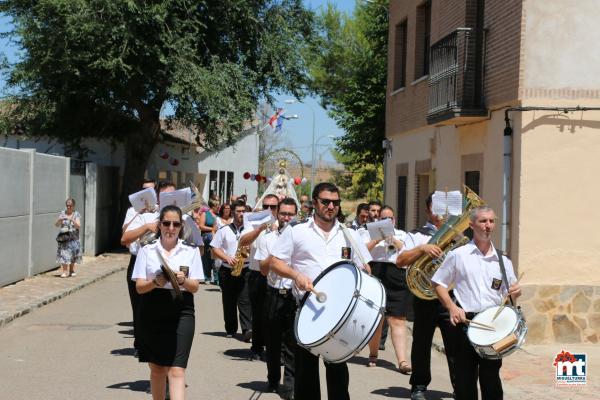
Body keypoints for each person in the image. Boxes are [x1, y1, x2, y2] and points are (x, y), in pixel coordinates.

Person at [271, 182, 372, 400]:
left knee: (338, 372)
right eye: (325, 201)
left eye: (335, 202)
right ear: (314, 202)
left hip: (340, 314)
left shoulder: (350, 234)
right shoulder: (296, 231)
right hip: (306, 309)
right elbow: (275, 263)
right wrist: (296, 276)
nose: (331, 206)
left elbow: (366, 268)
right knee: (305, 374)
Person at [432, 206, 521, 400]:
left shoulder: (503, 260)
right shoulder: (459, 255)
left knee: (491, 379)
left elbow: (510, 291)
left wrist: (516, 291)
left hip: (493, 327)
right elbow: (438, 283)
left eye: (491, 221)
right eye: (483, 221)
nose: (487, 226)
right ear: (472, 225)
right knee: (465, 381)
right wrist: (452, 307)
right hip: (466, 324)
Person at [132, 205, 203, 400]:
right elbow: (139, 287)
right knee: (157, 369)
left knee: (177, 370)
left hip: (182, 309)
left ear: (181, 226)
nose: (170, 228)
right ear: (159, 225)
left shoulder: (191, 251)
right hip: (152, 309)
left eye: (176, 224)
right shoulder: (147, 250)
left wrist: (183, 280)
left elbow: (195, 287)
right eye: (166, 223)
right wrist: (155, 282)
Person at [396, 193, 456, 400]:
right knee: (421, 342)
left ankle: (461, 385)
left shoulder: (457, 235)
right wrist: (422, 249)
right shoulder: (417, 235)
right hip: (424, 296)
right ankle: (419, 385)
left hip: (450, 295)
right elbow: (400, 260)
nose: (441, 213)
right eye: (437, 208)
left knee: (455, 344)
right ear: (429, 210)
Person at [121, 180, 175, 353]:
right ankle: (141, 343)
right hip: (139, 260)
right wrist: (146, 226)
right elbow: (124, 239)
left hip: (164, 260)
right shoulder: (136, 212)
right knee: (139, 306)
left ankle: (161, 343)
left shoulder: (174, 214)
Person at [255, 197, 298, 399]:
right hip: (273, 294)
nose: (287, 218)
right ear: (277, 214)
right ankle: (273, 379)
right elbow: (263, 271)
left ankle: (289, 387)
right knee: (272, 342)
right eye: (283, 214)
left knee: (292, 343)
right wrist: (272, 258)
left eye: (290, 214)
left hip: (293, 295)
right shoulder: (266, 237)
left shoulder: (299, 236)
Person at [360, 205, 410, 370]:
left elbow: (406, 250)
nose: (386, 222)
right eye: (383, 219)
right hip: (376, 273)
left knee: (398, 319)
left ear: (394, 220)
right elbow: (360, 252)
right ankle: (373, 354)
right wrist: (377, 239)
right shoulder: (367, 232)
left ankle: (402, 361)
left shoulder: (402, 234)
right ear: (377, 220)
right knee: (377, 319)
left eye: (389, 219)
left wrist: (391, 238)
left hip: (396, 275)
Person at [238, 194, 279, 360]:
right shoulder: (253, 221)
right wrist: (259, 229)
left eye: (273, 206)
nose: (269, 209)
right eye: (266, 206)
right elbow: (243, 241)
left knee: (275, 313)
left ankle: (274, 348)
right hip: (257, 273)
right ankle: (257, 347)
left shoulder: (282, 222)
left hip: (276, 274)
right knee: (259, 312)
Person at [210, 199, 252, 339]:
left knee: (245, 300)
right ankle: (230, 329)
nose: (241, 214)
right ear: (233, 212)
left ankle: (247, 330)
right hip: (227, 269)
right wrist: (226, 257)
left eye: (243, 211)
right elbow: (214, 248)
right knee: (228, 301)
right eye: (238, 211)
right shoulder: (224, 230)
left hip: (245, 269)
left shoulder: (251, 230)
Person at [55, 198, 82, 278]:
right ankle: (64, 271)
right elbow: (56, 225)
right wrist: (59, 220)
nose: (68, 207)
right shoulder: (62, 213)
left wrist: (72, 220)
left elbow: (78, 226)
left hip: (74, 238)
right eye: (67, 205)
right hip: (64, 238)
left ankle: (71, 270)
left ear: (73, 206)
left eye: (70, 205)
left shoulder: (76, 214)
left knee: (73, 254)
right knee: (63, 253)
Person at [198, 198, 219, 283]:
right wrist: (212, 229)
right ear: (212, 206)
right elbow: (201, 226)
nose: (218, 207)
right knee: (206, 258)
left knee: (215, 258)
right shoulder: (205, 214)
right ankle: (207, 277)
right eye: (217, 206)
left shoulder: (217, 215)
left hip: (216, 237)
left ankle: (216, 278)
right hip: (207, 237)